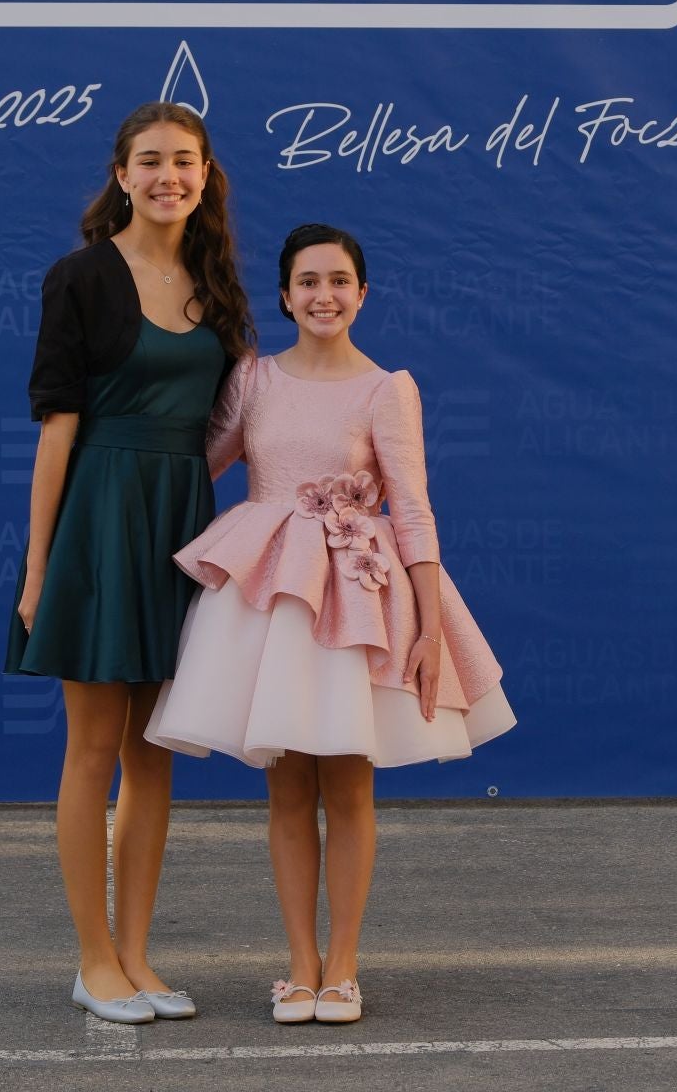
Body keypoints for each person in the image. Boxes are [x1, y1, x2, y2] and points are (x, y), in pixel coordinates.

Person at [146, 223, 516, 1025]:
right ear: (284, 295)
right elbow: (194, 462)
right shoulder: (252, 379)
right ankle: (300, 968)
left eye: (340, 281)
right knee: (286, 792)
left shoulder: (388, 388)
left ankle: (343, 969)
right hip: (273, 602)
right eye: (308, 282)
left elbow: (411, 509)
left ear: (362, 293)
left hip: (357, 599)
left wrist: (424, 626)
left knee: (349, 786)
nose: (324, 295)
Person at [5, 102, 254, 1024]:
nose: (168, 178)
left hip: (180, 530)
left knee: (155, 756)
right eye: (149, 161)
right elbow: (57, 430)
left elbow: (234, 427)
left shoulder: (217, 284)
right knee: (94, 749)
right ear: (120, 174)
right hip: (99, 526)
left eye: (184, 162)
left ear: (205, 174)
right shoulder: (79, 278)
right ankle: (92, 960)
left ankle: (138, 957)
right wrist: (38, 572)